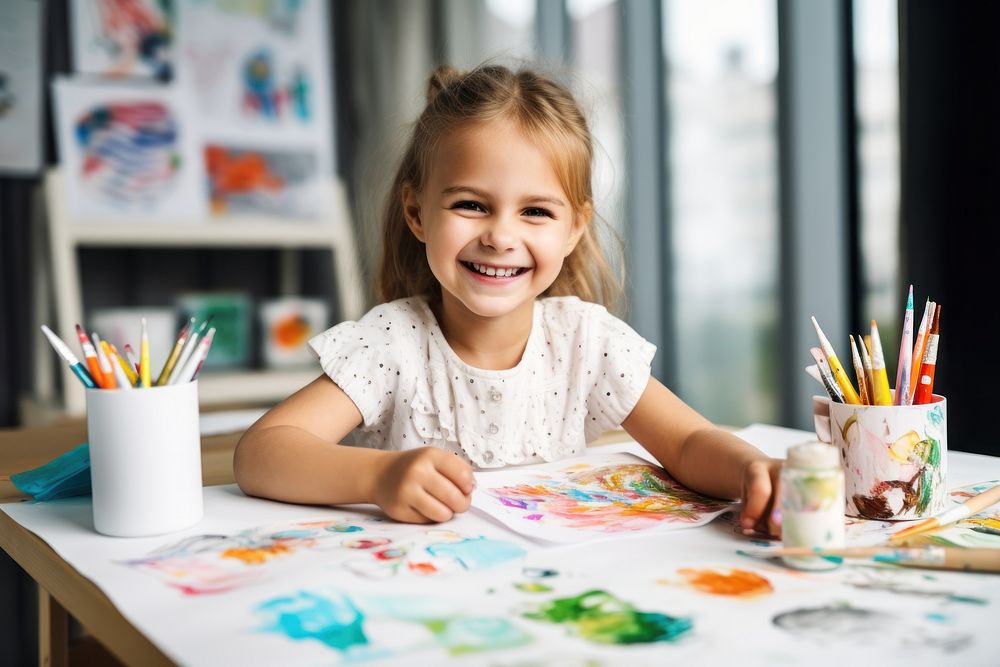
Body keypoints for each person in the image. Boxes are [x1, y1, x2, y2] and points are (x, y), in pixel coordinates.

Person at [235, 63, 781, 536]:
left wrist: (755, 471)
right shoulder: (392, 343)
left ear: (573, 228)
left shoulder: (586, 343)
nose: (500, 236)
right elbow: (262, 452)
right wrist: (378, 478)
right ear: (417, 212)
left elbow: (688, 444)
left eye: (536, 212)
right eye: (472, 204)